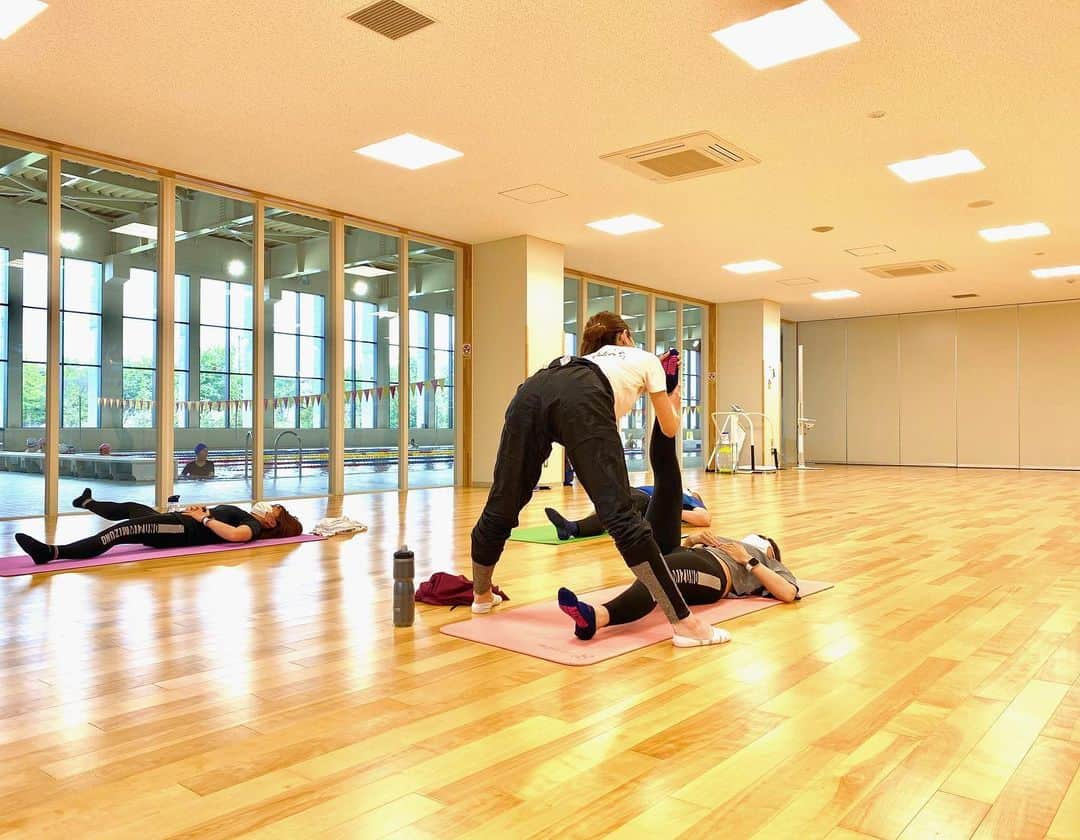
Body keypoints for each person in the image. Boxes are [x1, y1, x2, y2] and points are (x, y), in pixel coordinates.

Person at [470, 311, 722, 646]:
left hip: (531, 390)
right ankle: (685, 624)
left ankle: (482, 597)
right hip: (582, 398)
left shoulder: (584, 358)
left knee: (503, 502)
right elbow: (670, 428)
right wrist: (673, 399)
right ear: (624, 336)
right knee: (620, 515)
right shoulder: (645, 359)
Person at [557, 414, 798, 642]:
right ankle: (664, 403)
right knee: (669, 482)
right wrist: (692, 541)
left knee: (663, 573)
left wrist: (749, 561)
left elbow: (788, 593)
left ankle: (596, 617)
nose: (758, 539)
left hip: (715, 575)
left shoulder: (769, 564)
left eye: (764, 540)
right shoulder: (729, 541)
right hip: (689, 553)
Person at [13, 488, 302, 566]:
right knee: (131, 509)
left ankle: (50, 553)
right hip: (176, 522)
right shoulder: (246, 514)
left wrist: (203, 518)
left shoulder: (252, 524)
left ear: (272, 521)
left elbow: (236, 536)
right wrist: (199, 512)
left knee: (120, 531)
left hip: (179, 531)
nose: (267, 506)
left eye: (272, 508)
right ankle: (88, 502)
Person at [543, 484, 711, 540]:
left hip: (645, 500)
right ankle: (572, 527)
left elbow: (705, 519)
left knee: (624, 505)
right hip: (634, 495)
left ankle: (572, 527)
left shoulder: (688, 497)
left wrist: (669, 510)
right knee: (612, 512)